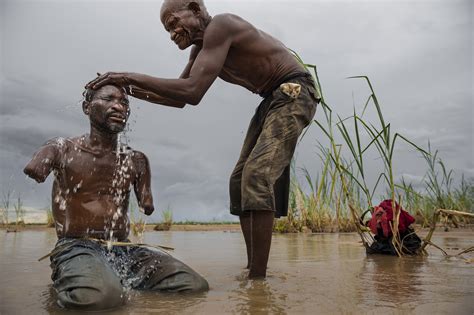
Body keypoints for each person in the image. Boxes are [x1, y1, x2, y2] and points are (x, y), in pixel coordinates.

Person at [86, 0, 320, 279]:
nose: (172, 33)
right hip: (272, 98)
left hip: (293, 92)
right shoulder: (200, 49)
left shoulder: (222, 25)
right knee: (239, 179)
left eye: (174, 23)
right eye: (167, 30)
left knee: (256, 176)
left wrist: (126, 76)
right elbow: (180, 100)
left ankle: (258, 279)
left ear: (196, 9)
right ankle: (253, 269)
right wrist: (127, 89)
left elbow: (192, 90)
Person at [24, 84, 208, 311]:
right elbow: (35, 167)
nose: (118, 106)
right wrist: (43, 157)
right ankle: (78, 280)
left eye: (124, 102)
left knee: (192, 284)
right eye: (108, 99)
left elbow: (147, 204)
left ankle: (104, 280)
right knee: (99, 299)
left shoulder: (136, 160)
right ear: (86, 107)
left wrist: (147, 198)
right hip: (77, 246)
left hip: (123, 248)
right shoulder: (62, 148)